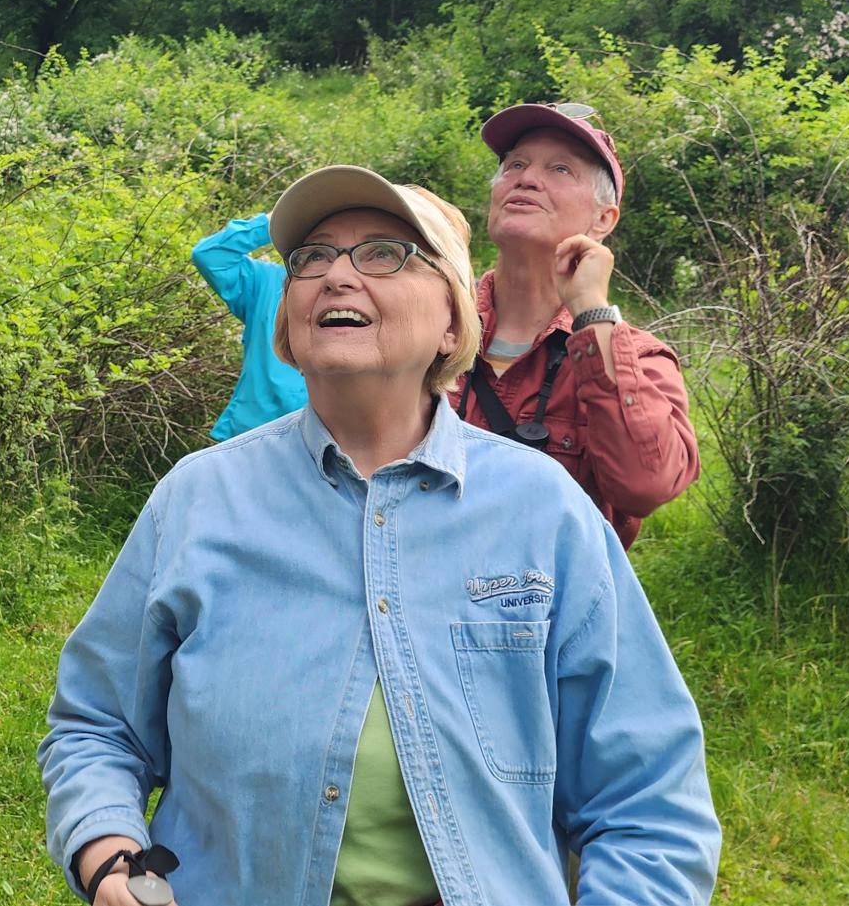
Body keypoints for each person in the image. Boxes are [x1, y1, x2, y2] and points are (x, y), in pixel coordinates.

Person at [41, 165, 720, 906]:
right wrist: (108, 858)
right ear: (289, 321)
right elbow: (97, 725)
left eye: (385, 253)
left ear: (455, 322)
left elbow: (648, 800)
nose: (336, 275)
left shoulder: (543, 512)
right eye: (313, 257)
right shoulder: (199, 500)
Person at [453, 103, 699, 549]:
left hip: (549, 614)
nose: (527, 179)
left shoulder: (641, 361)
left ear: (604, 219)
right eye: (515, 165)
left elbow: (646, 485)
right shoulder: (433, 323)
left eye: (561, 169)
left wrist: (589, 307)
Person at [191, 211, 308, 439]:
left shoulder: (352, 288)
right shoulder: (266, 281)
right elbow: (210, 255)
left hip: (335, 444)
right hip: (249, 436)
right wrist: (276, 218)